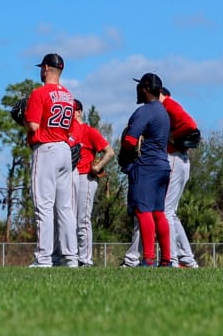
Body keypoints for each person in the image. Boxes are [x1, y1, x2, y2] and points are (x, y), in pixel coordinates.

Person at [121, 84, 201, 268]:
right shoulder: (163, 109)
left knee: (162, 212)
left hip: (172, 158)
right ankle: (186, 258)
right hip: (172, 161)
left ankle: (170, 259)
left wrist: (171, 138)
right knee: (168, 212)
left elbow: (190, 125)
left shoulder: (168, 105)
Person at [23, 52, 78, 267]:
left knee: (44, 206)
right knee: (64, 208)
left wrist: (25, 121)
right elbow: (72, 129)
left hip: (46, 149)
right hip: (65, 148)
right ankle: (71, 257)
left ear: (46, 68)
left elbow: (34, 126)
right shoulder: (68, 95)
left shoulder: (39, 93)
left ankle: (44, 258)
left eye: (41, 68)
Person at [118, 73, 172, 267]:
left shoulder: (145, 111)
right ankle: (166, 259)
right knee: (159, 212)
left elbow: (130, 140)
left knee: (143, 211)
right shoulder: (163, 112)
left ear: (146, 89)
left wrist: (124, 154)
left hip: (146, 167)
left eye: (140, 86)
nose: (137, 90)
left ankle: (148, 259)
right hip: (163, 166)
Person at [70, 100, 114, 267]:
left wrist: (97, 166)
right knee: (69, 220)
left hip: (85, 178)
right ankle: (71, 257)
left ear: (79, 112)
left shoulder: (89, 131)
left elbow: (109, 151)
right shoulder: (66, 130)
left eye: (72, 110)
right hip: (69, 177)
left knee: (82, 219)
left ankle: (85, 259)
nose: (69, 113)